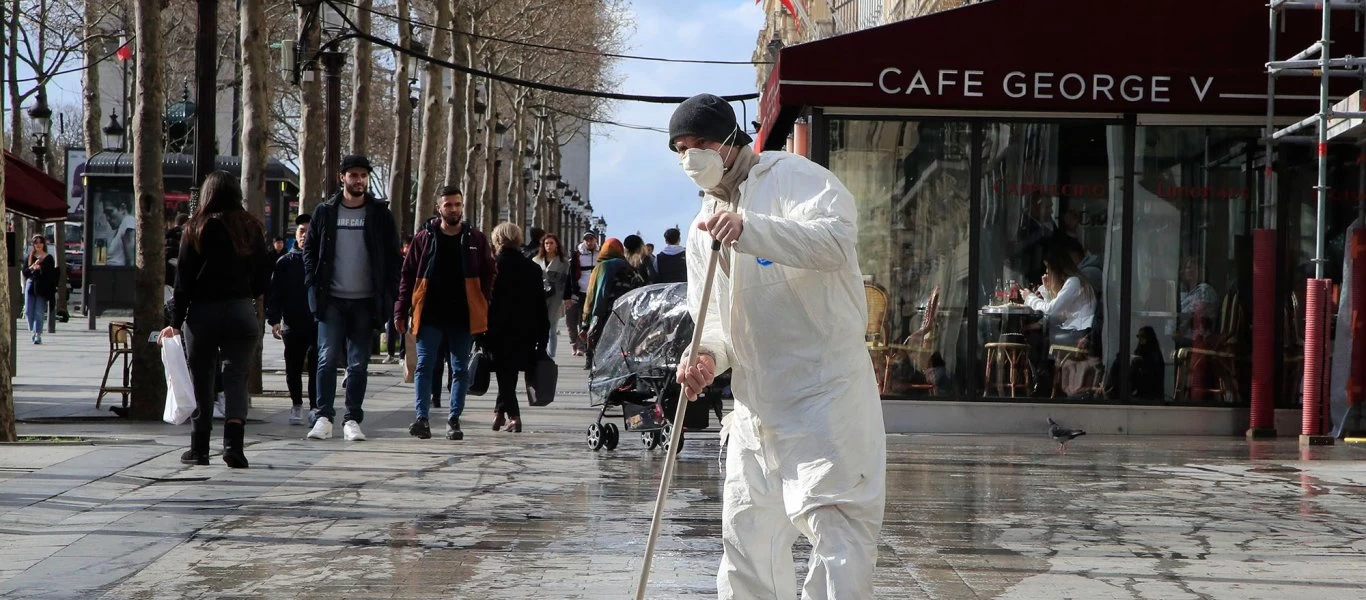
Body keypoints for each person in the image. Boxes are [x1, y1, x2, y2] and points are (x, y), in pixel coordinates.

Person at [667, 93, 886, 599]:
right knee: (746, 543)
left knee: (837, 531)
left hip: (823, 396)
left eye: (698, 143)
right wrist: (703, 359)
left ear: (728, 140)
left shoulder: (794, 177)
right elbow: (716, 322)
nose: (689, 157)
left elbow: (835, 241)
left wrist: (753, 229)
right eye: (679, 148)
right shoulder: (702, 227)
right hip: (753, 408)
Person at [160, 171, 271, 468]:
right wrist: (247, 292)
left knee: (202, 378)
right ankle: (234, 445)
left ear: (206, 194)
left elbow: (182, 281)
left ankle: (200, 448)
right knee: (236, 376)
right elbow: (263, 275)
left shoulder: (194, 228)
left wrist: (175, 318)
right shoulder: (251, 227)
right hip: (240, 310)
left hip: (202, 313)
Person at [303, 154, 402, 442]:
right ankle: (323, 416)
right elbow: (310, 251)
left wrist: (389, 293)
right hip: (331, 299)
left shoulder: (380, 215)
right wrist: (312, 283)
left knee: (358, 363)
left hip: (365, 301)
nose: (359, 180)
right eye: (353, 175)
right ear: (342, 177)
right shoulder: (325, 212)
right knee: (326, 358)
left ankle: (352, 419)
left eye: (363, 175)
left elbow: (393, 258)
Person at [394, 185, 495, 441]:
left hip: (463, 316)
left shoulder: (475, 239)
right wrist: (400, 310)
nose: (453, 209)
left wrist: (483, 299)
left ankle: (453, 419)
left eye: (457, 204)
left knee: (460, 369)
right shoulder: (424, 238)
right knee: (424, 366)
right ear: (438, 208)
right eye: (448, 205)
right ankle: (422, 418)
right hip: (429, 314)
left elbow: (489, 271)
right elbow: (407, 275)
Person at [485, 223, 548, 433]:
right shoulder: (533, 268)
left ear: (497, 240)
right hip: (526, 330)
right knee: (509, 374)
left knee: (505, 374)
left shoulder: (493, 266)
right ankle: (499, 413)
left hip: (497, 329)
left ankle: (514, 416)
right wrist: (543, 335)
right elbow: (541, 304)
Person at [267, 214, 317, 425]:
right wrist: (274, 319)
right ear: (295, 235)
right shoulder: (284, 262)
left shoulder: (321, 261)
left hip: (317, 322)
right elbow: (275, 293)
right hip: (292, 323)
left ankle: (316, 407)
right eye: (301, 231)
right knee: (293, 367)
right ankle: (297, 404)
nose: (304, 235)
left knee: (318, 366)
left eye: (308, 231)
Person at [580, 237, 645, 368]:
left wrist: (585, 323)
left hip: (604, 314)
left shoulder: (600, 268)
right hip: (624, 315)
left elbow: (591, 296)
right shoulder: (628, 267)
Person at [1023, 246, 1096, 349]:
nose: (1047, 274)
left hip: (1078, 330)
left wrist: (1029, 298)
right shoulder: (1074, 281)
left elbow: (1051, 310)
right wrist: (1048, 290)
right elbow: (1055, 311)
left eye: (1049, 271)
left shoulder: (1074, 282)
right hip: (1076, 329)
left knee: (1036, 339)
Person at [532, 232, 574, 357]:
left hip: (556, 297)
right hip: (539, 296)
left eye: (551, 243)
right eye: (546, 243)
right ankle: (539, 352)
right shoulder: (536, 260)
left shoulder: (563, 263)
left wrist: (567, 298)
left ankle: (551, 355)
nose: (548, 246)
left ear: (556, 245)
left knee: (552, 327)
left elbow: (568, 281)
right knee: (539, 325)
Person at [567, 232, 599, 357]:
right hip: (580, 291)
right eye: (586, 240)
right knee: (576, 320)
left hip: (593, 291)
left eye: (591, 239)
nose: (589, 242)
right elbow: (571, 275)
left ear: (595, 240)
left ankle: (583, 346)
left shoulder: (599, 254)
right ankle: (576, 343)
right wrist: (568, 294)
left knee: (586, 319)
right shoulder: (577, 255)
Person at [22, 234, 57, 344]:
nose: (38, 244)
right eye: (36, 242)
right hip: (31, 284)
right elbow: (25, 272)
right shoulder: (29, 257)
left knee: (39, 311)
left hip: (42, 286)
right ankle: (33, 329)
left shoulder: (48, 257)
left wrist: (41, 268)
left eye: (40, 242)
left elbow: (51, 273)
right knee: (28, 310)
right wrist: (33, 266)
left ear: (43, 244)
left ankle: (37, 333)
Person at [103, 197, 136, 266]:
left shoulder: (128, 222)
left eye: (110, 212)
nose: (108, 218)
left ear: (122, 208)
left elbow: (131, 260)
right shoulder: (121, 227)